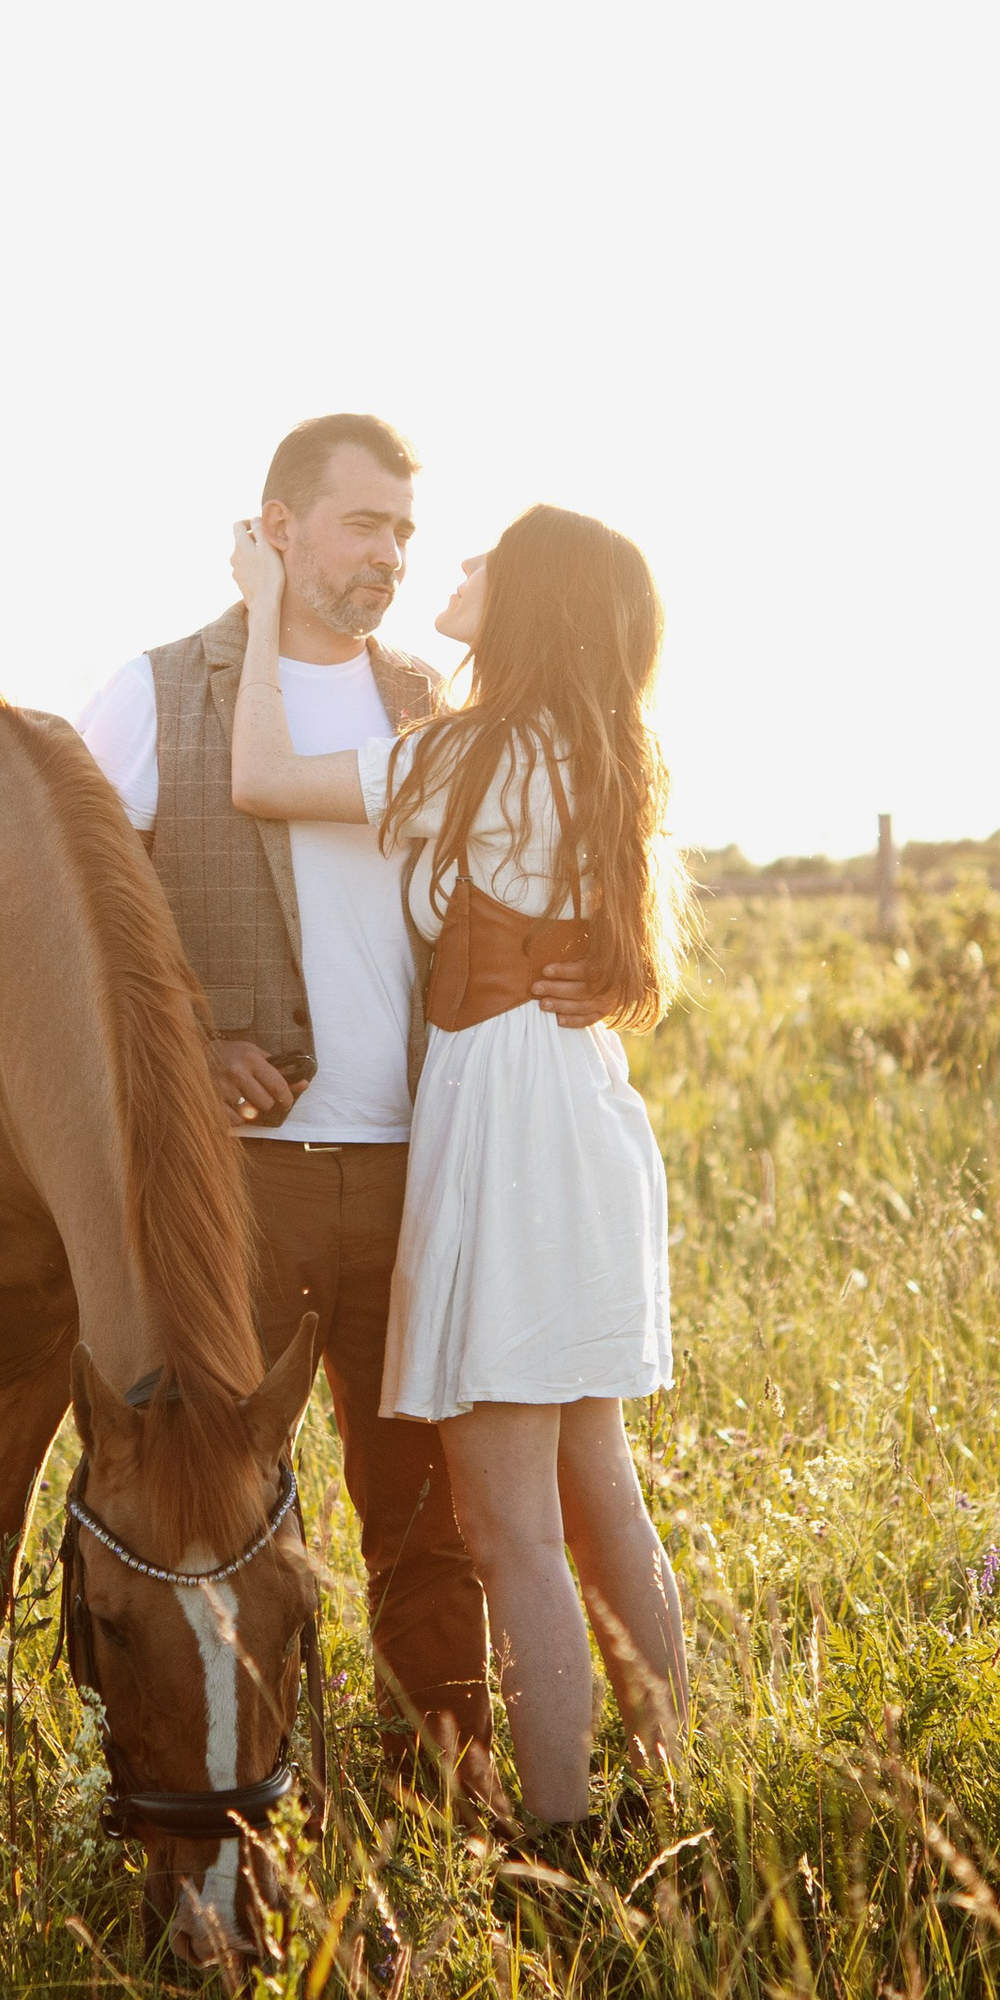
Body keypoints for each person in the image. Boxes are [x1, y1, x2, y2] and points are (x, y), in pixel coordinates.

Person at [78, 414, 534, 1803]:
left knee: (427, 1518)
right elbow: (74, 924)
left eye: (404, 528)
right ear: (278, 527)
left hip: (416, 1170)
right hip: (240, 1185)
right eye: (361, 523)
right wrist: (192, 1037)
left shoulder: (427, 710)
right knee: (216, 1513)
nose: (389, 555)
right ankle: (230, 1805)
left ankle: (437, 1810)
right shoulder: (156, 692)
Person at [225, 499, 690, 1837]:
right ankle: (668, 1802)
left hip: (505, 1124)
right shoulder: (607, 756)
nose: (458, 566)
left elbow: (260, 774)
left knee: (509, 1529)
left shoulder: (466, 758)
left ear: (528, 599)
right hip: (585, 1117)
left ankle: (557, 1839)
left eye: (485, 559)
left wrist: (263, 603)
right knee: (601, 1488)